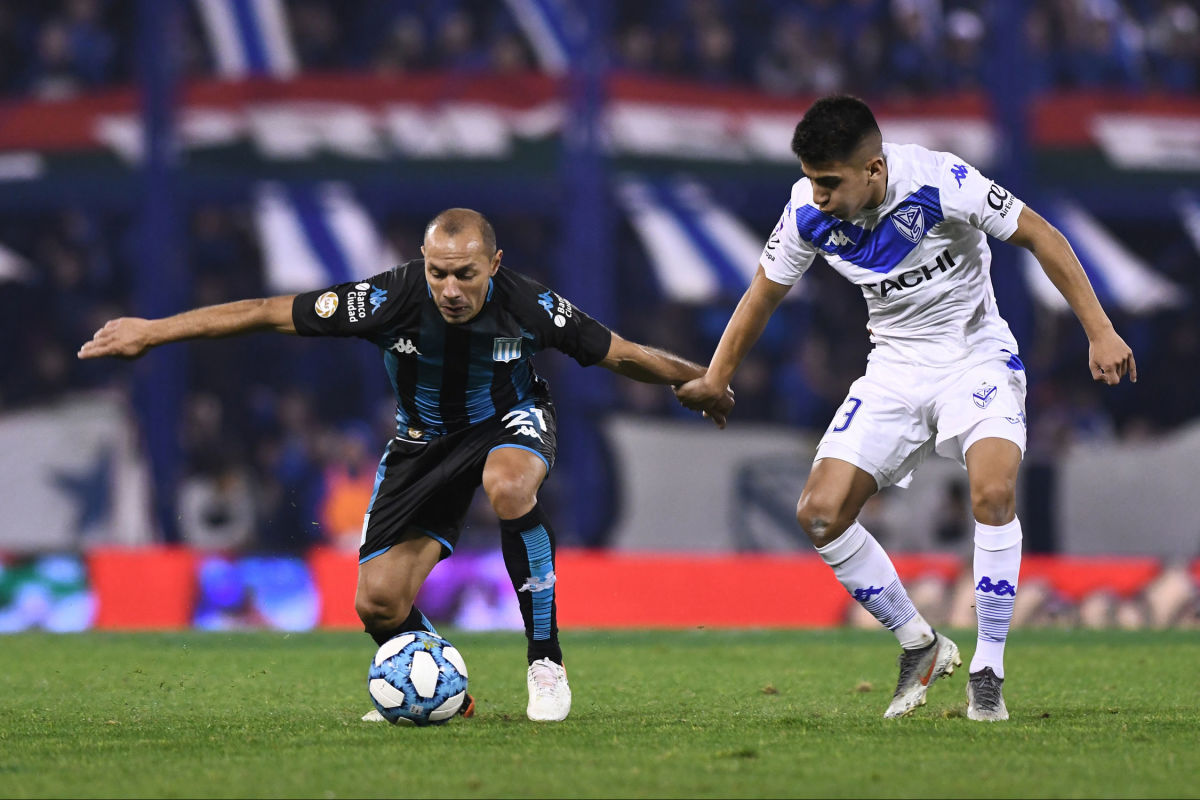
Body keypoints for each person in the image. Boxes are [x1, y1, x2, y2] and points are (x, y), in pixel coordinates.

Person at [79, 207, 733, 723]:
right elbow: (265, 312)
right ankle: (443, 687)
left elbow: (619, 353)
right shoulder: (387, 298)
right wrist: (153, 330)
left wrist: (698, 379)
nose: (450, 289)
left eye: (466, 274)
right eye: (438, 272)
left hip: (509, 421)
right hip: (422, 444)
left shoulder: (529, 305)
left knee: (508, 487)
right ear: (424, 262)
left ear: (494, 265)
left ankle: (545, 661)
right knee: (379, 605)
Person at [676, 96, 1135, 722]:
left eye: (829, 182)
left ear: (874, 168)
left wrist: (1100, 330)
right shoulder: (805, 211)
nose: (817, 196)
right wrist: (718, 377)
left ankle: (989, 669)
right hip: (893, 369)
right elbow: (764, 291)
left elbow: (1039, 233)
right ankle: (919, 643)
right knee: (818, 515)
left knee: (993, 494)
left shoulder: (940, 180)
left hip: (974, 356)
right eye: (811, 180)